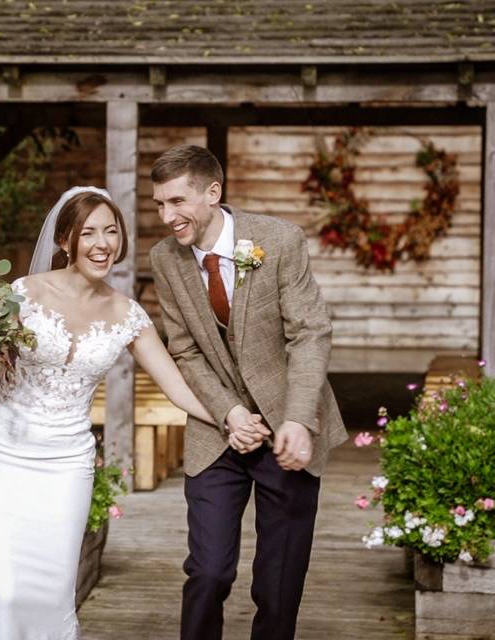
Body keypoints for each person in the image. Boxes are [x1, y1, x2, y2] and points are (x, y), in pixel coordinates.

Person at [0, 186, 216, 640]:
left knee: (53, 594)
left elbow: (176, 385)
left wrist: (232, 417)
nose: (102, 243)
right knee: (3, 590)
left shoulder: (127, 314)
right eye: (88, 232)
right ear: (66, 240)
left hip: (67, 464)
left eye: (111, 231)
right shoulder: (23, 294)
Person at [148, 144, 348, 640]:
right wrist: (230, 412)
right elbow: (186, 350)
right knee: (209, 571)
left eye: (177, 202)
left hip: (288, 425)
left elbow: (310, 332)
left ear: (213, 193)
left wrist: (299, 419)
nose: (167, 216)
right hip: (219, 431)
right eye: (159, 204)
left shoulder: (280, 240)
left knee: (278, 582)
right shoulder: (164, 260)